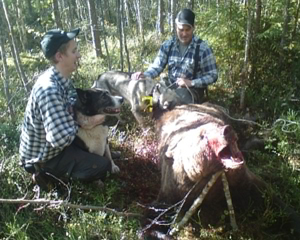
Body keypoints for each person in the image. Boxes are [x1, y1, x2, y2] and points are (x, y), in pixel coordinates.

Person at [19, 28, 112, 191]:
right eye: (74, 51)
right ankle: (48, 176)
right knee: (103, 166)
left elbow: (71, 109)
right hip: (45, 157)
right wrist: (85, 123)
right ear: (59, 56)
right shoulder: (50, 91)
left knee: (100, 144)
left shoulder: (61, 80)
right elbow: (59, 140)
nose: (79, 55)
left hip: (55, 147)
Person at [132, 8, 218, 104]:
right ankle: (148, 117)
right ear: (176, 28)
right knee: (146, 95)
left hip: (191, 91)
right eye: (181, 29)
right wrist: (145, 75)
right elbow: (157, 66)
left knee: (175, 101)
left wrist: (191, 83)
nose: (184, 33)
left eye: (187, 29)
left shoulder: (203, 48)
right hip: (169, 85)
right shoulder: (168, 45)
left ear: (193, 27)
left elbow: (213, 75)